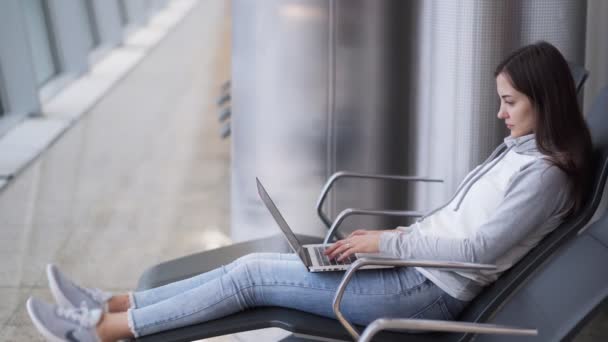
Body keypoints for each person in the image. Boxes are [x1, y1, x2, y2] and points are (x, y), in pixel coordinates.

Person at [26, 41, 592, 342]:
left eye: (510, 102)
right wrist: (393, 236)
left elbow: (476, 254)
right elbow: (458, 225)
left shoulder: (543, 174)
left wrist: (385, 246)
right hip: (411, 263)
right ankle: (113, 302)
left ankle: (109, 329)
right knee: (259, 268)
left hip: (423, 290)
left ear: (546, 100)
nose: (499, 113)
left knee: (251, 276)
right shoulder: (521, 153)